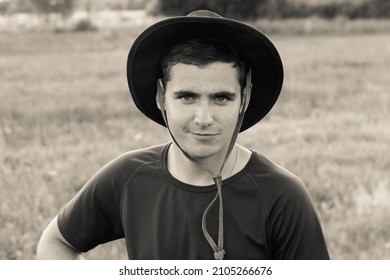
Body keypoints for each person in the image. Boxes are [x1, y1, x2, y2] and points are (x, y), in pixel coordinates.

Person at [37, 10, 329, 260]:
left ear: (245, 98)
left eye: (221, 98)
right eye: (187, 97)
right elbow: (56, 242)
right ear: (162, 97)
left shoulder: (282, 196)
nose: (203, 119)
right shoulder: (128, 178)